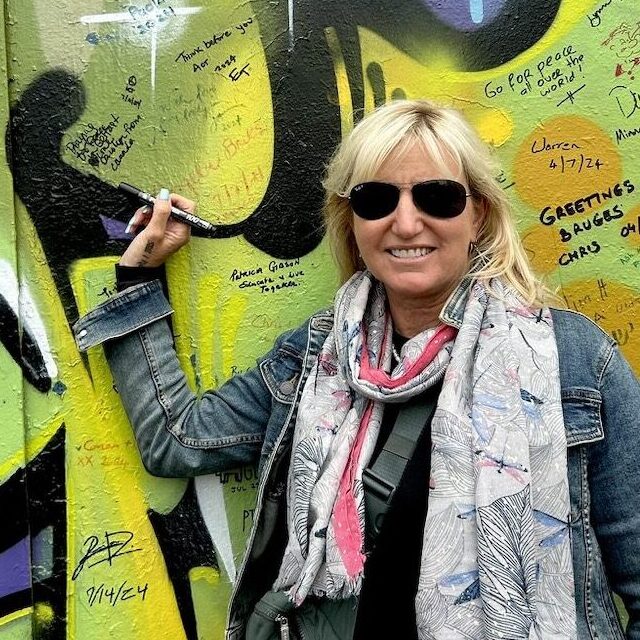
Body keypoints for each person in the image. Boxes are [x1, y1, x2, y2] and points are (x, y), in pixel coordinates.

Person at [73, 99, 640, 640]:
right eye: (376, 200)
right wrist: (140, 279)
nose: (406, 222)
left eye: (438, 197)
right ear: (352, 221)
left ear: (479, 215)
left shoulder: (573, 363)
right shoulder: (316, 358)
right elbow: (180, 440)